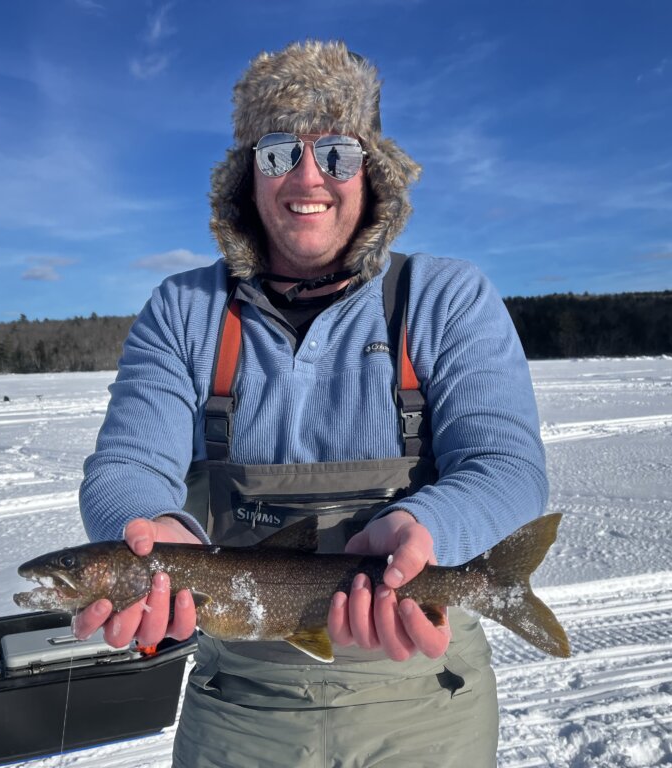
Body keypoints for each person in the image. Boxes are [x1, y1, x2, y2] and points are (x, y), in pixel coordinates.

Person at [76, 40, 548, 767]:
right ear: (245, 174)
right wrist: (147, 530)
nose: (306, 177)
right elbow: (126, 464)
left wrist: (425, 528)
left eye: (335, 152)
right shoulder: (185, 310)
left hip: (427, 696)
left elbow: (508, 468)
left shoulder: (446, 298)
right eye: (275, 152)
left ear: (372, 169)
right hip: (240, 706)